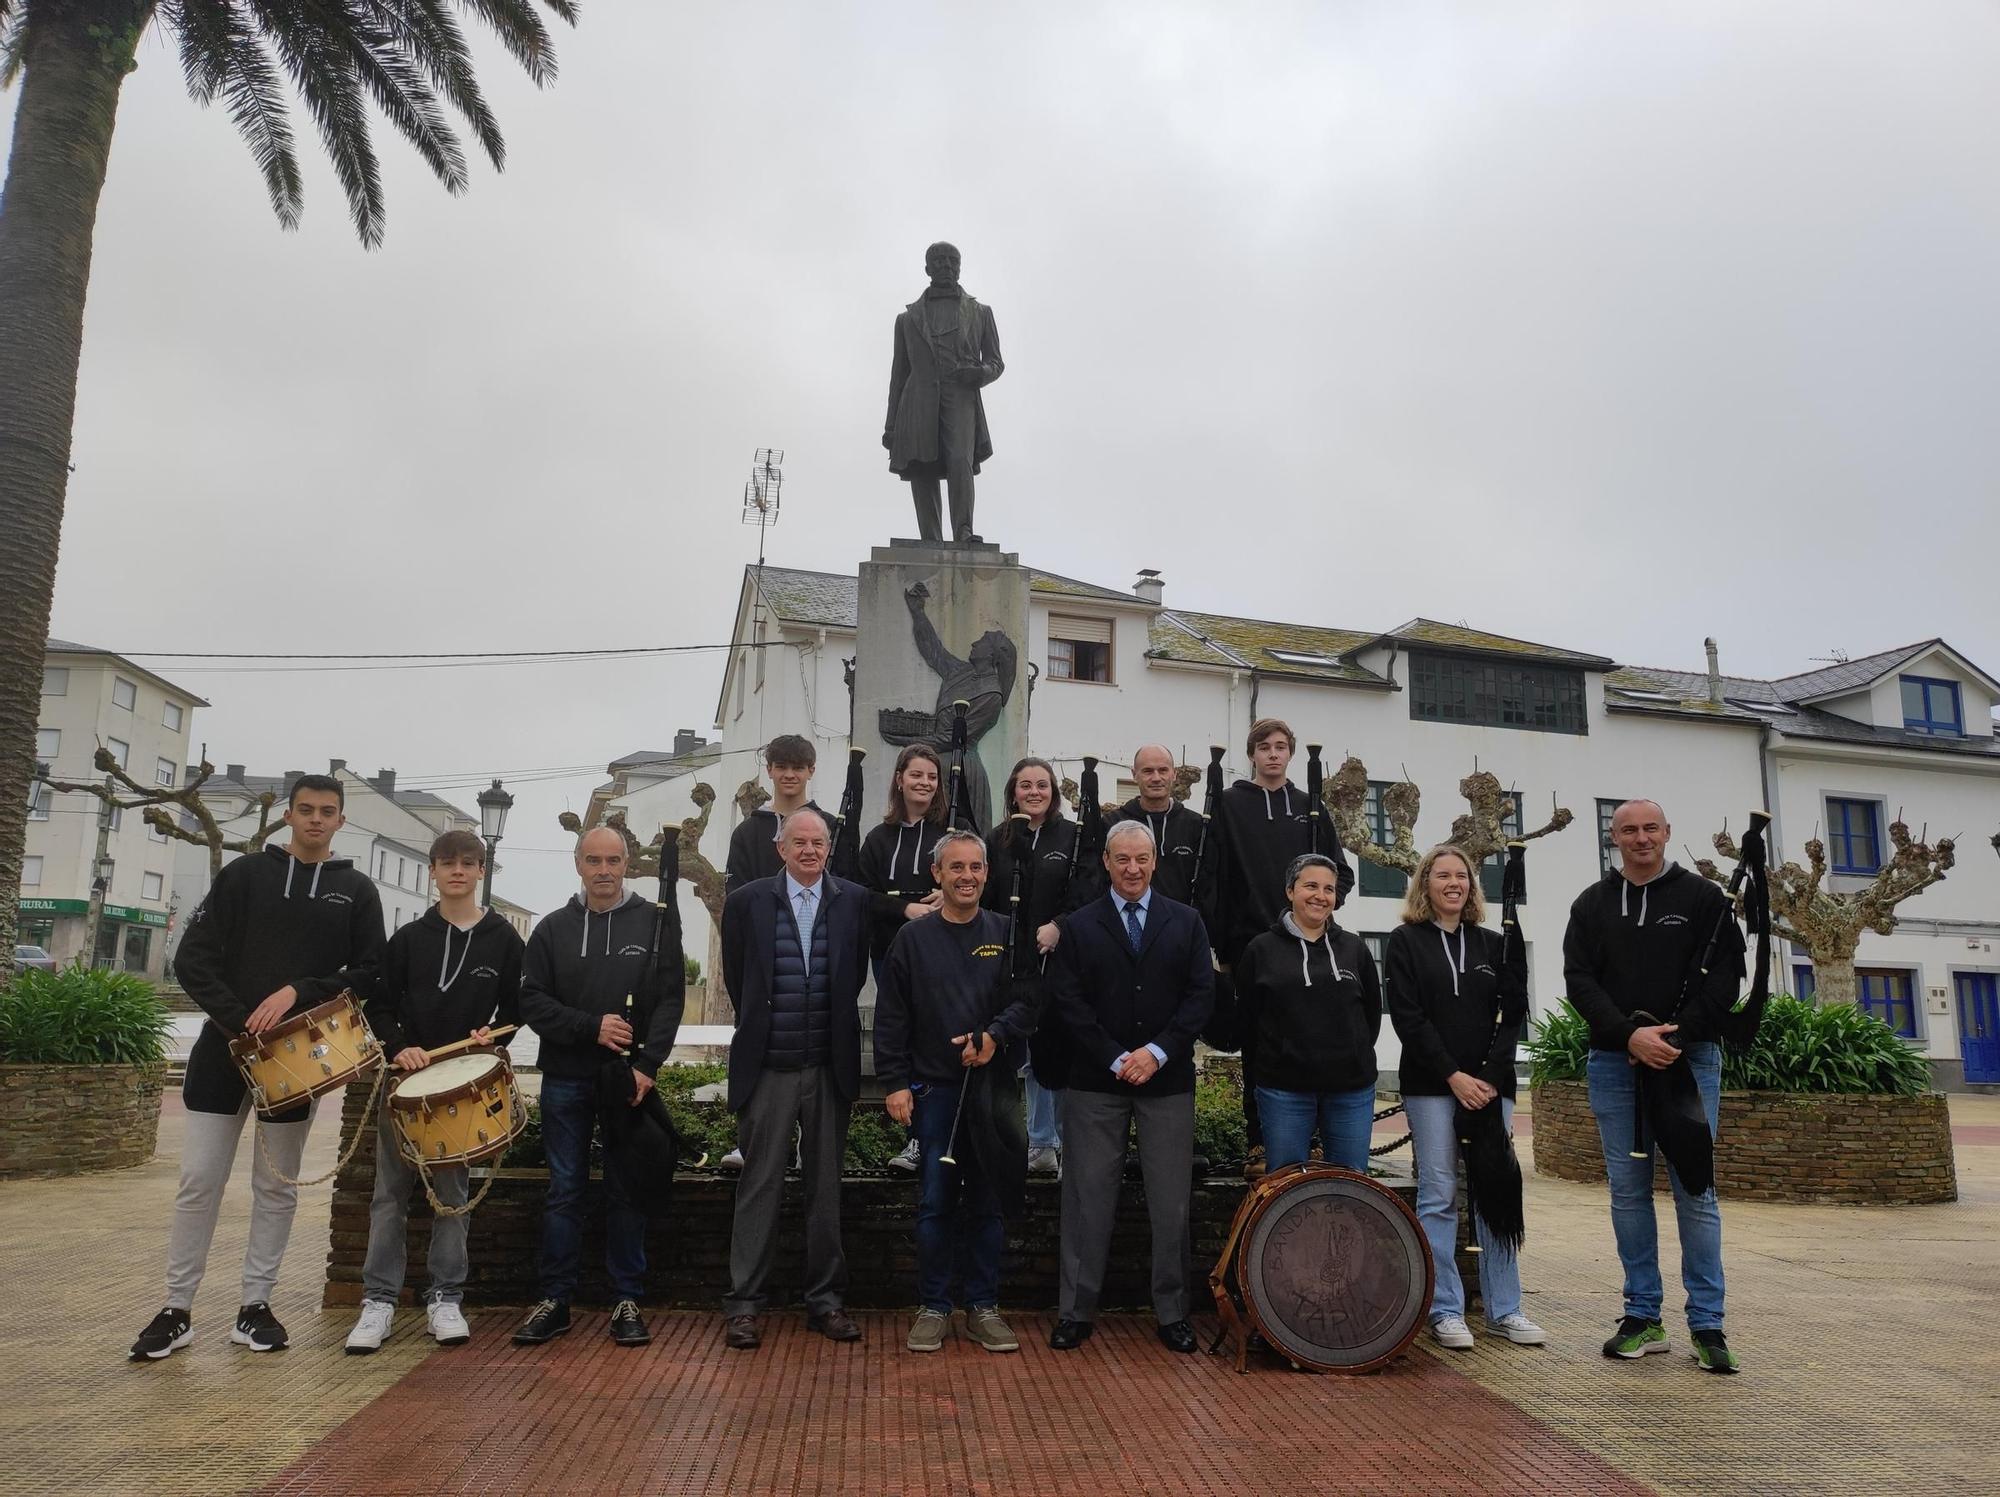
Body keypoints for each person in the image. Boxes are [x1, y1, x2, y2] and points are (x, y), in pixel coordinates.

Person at [131, 774, 386, 1361]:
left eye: (327, 811)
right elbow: (191, 959)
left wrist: (299, 993)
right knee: (199, 1182)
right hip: (222, 1054)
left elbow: (369, 971)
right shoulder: (244, 876)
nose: (316, 820)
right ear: (288, 817)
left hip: (296, 1064)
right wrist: (241, 1023)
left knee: (276, 1186)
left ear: (341, 820)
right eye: (305, 810)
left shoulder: (356, 890)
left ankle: (255, 1306)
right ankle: (176, 1310)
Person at [1563, 798, 1745, 1374]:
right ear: (1613, 838)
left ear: (1666, 833)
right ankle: (1643, 1315)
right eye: (1628, 831)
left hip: (1690, 1061)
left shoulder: (1704, 900)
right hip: (1616, 1064)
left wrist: (1674, 1037)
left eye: (1650, 829)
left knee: (1696, 1189)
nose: (1640, 838)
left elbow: (1726, 978)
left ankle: (1708, 1325)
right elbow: (1579, 981)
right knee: (1627, 1190)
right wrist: (1627, 1037)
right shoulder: (1591, 904)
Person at [346, 830, 524, 1353]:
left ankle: (445, 1298)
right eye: (448, 863)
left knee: (453, 1196)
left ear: (481, 871)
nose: (458, 872)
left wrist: (492, 1035)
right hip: (405, 1081)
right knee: (388, 1196)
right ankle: (377, 1302)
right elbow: (377, 1006)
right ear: (434, 871)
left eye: (468, 864)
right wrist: (400, 1047)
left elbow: (518, 1009)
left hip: (462, 1085)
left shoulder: (505, 939)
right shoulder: (407, 939)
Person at [511, 826, 685, 1350]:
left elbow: (671, 1000)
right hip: (566, 1077)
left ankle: (626, 1298)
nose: (604, 869)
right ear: (577, 863)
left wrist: (648, 1064)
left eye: (613, 860)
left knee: (625, 1190)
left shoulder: (654, 924)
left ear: (627, 863)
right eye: (593, 860)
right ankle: (556, 1300)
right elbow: (532, 1002)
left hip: (627, 1081)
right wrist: (591, 1026)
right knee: (564, 1191)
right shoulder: (552, 929)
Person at [1045, 821, 1214, 1353]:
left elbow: (1199, 997)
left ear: (1156, 861)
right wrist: (1115, 1055)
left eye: (1142, 858)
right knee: (1085, 1200)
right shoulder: (1079, 926)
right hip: (1096, 1080)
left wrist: (1156, 1052)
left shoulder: (1186, 923)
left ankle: (1172, 1313)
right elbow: (1068, 1001)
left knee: (1171, 1205)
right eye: (1122, 859)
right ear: (1107, 863)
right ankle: (1075, 1311)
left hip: (1166, 1082)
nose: (1133, 868)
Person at [875, 830, 1038, 1354]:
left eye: (975, 867)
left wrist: (995, 1036)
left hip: (994, 1091)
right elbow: (892, 1016)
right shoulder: (912, 940)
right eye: (956, 868)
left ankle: (984, 1307)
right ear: (937, 875)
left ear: (986, 874)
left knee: (988, 1203)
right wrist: (896, 1082)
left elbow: (1030, 1000)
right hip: (936, 1091)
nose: (966, 876)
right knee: (935, 1202)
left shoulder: (1007, 931)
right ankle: (934, 1307)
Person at [720, 809, 872, 1349]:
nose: (810, 850)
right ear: (779, 847)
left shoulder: (853, 900)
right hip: (768, 1067)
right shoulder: (746, 902)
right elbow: (738, 977)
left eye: (819, 842)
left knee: (824, 1187)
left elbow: (852, 975)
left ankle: (826, 1302)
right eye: (799, 842)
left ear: (829, 849)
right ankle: (744, 1305)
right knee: (759, 1184)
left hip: (828, 1066)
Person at [1386, 844, 1543, 1352]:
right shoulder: (1405, 942)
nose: (1453, 883)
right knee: (1439, 1193)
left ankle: (1506, 1309)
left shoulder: (1495, 943)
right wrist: (1453, 1075)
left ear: (1472, 886)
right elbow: (1409, 1018)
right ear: (1425, 885)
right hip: (1433, 1086)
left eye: (1462, 876)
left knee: (1495, 1191)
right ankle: (1445, 1309)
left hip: (1491, 1087)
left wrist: (1492, 1077)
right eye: (1442, 875)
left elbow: (1513, 1013)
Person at [1204, 718, 1354, 1179]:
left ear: (1291, 753)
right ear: (1251, 753)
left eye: (1281, 747)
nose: (1273, 754)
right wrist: (1219, 946)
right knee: (1258, 1044)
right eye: (1264, 746)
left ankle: (1312, 1140)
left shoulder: (1310, 808)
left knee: (1311, 1036)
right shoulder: (1228, 804)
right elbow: (1214, 875)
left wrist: (1318, 911)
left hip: (1307, 944)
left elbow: (1339, 875)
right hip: (1250, 945)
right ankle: (1258, 1141)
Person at [982, 757, 1100, 1175]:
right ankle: (1038, 1141)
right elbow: (986, 896)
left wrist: (1059, 926)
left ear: (1053, 793)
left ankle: (1063, 1141)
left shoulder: (1073, 836)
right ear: (1013, 791)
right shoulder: (997, 839)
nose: (1034, 792)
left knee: (1056, 1051)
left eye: (1042, 785)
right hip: (1012, 962)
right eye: (1025, 785)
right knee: (1023, 1052)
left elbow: (1089, 892)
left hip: (1060, 959)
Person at [1235, 853, 1380, 1172]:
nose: (1320, 895)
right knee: (1286, 1188)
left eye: (1329, 889)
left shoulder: (1354, 949)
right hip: (1284, 1091)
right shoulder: (1261, 950)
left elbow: (1370, 1017)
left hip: (1350, 1091)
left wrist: (1352, 1054)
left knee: (1351, 1184)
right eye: (1311, 886)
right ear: (1290, 891)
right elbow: (1248, 1024)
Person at [858, 744, 951, 1175]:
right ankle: (913, 1137)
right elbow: (863, 895)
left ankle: (934, 1136)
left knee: (933, 1043)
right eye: (916, 775)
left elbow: (972, 877)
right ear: (900, 779)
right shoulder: (878, 838)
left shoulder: (952, 831)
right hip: (892, 953)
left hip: (941, 953)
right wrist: (906, 909)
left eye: (931, 777)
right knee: (900, 1039)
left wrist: (945, 894)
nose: (924, 783)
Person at [883, 240, 1005, 543]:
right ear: (927, 268)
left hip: (961, 395)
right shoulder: (907, 319)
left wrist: (981, 373)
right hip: (917, 398)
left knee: (959, 460)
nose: (946, 266)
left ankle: (963, 531)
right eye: (939, 261)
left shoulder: (980, 312)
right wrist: (890, 425)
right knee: (922, 465)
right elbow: (898, 375)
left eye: (952, 261)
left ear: (960, 267)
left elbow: (995, 361)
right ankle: (930, 537)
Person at [725, 734, 831, 895]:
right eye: (781, 767)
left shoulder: (831, 827)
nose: (789, 775)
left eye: (798, 768)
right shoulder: (746, 833)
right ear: (769, 770)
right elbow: (737, 895)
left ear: (811, 771)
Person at [1108, 745, 1203, 904]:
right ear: (1134, 774)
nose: (1156, 778)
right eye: (1148, 771)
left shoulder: (1196, 825)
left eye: (1163, 770)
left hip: (1181, 925)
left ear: (1174, 774)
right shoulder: (1112, 824)